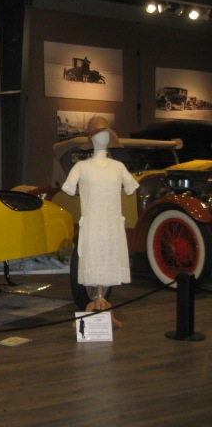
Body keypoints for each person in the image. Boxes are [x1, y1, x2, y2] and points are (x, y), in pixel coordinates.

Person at [62, 117, 139, 321]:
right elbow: (68, 187)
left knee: (109, 262)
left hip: (112, 225)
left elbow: (131, 187)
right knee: (93, 261)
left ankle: (101, 299)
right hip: (93, 225)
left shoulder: (118, 167)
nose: (103, 137)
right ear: (91, 139)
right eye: (99, 134)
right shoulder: (81, 167)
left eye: (106, 134)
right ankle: (96, 300)